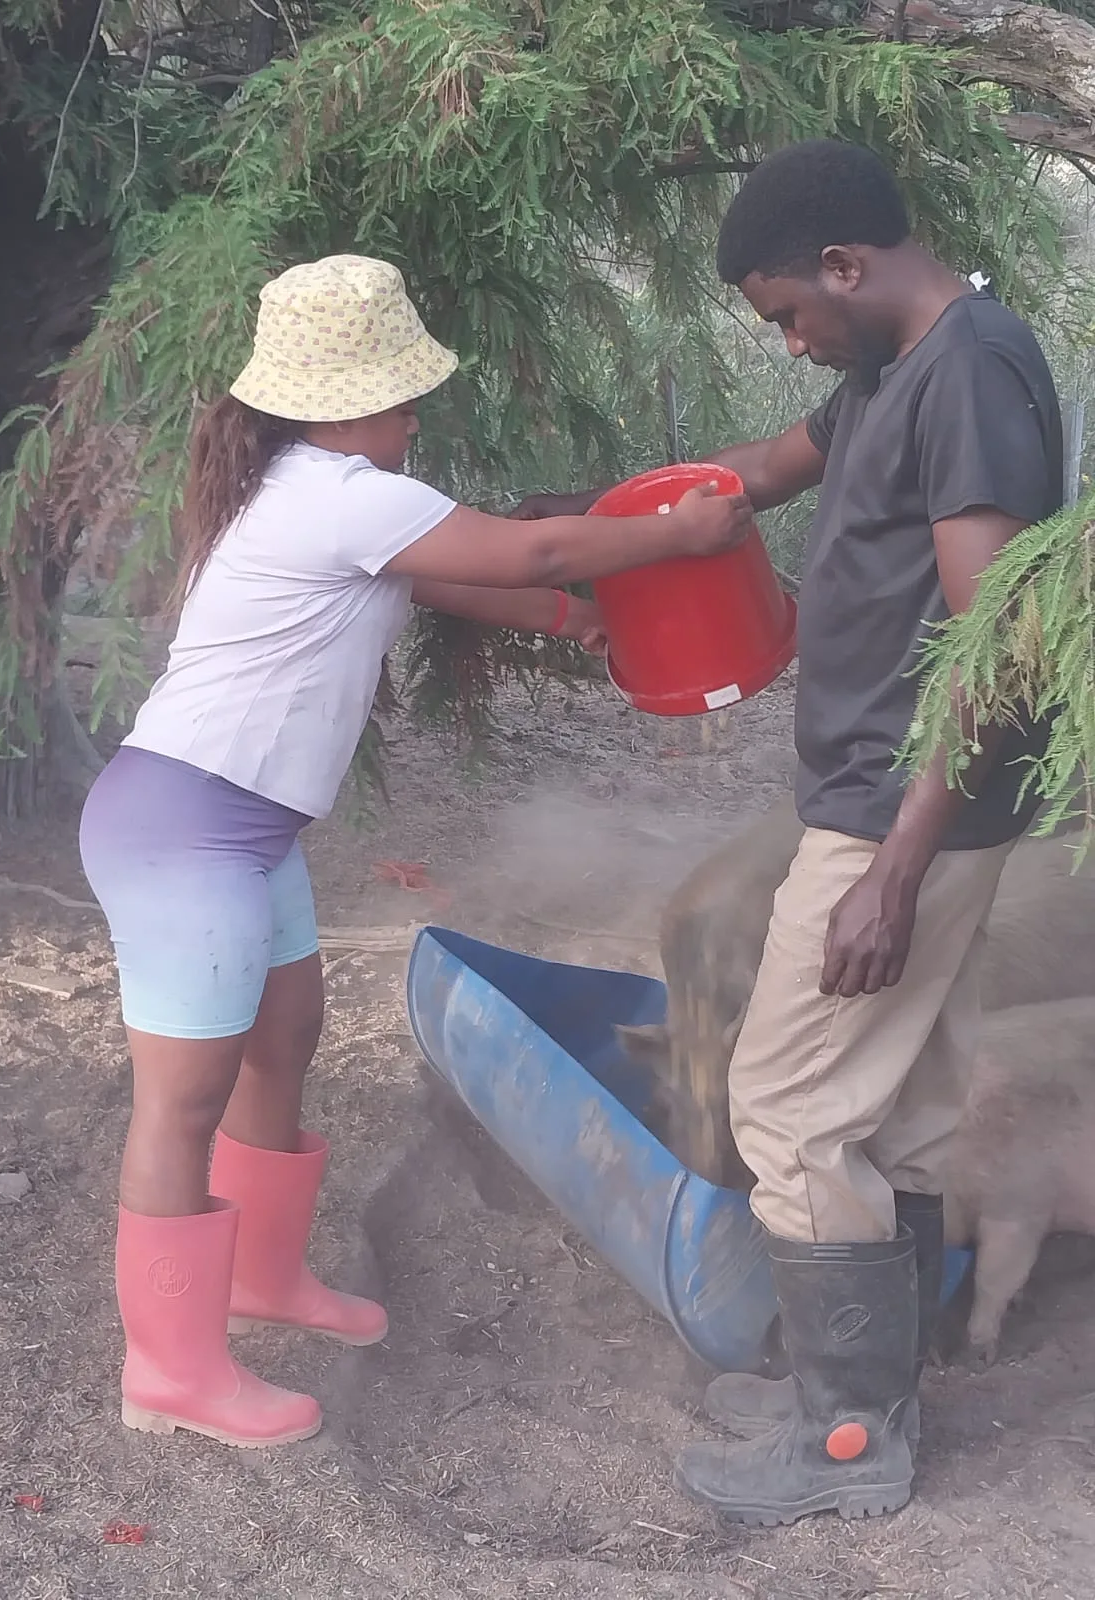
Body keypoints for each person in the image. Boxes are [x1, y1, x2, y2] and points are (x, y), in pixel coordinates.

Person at [79, 253, 753, 1450]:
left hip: (239, 829)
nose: (415, 418)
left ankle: (262, 1276)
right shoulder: (340, 493)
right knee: (182, 1104)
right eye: (403, 398)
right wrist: (677, 530)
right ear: (350, 405)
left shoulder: (320, 495)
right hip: (184, 828)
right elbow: (530, 553)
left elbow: (465, 586)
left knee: (285, 1037)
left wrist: (574, 623)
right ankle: (168, 1369)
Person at [515, 140, 1063, 1525]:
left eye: (786, 315)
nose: (790, 341)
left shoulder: (972, 375)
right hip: (888, 803)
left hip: (900, 814)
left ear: (844, 265)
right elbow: (760, 469)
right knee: (904, 1106)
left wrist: (893, 871)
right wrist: (605, 520)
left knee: (787, 1106)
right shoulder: (887, 370)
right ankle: (871, 1391)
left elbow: (996, 649)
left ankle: (847, 1439)